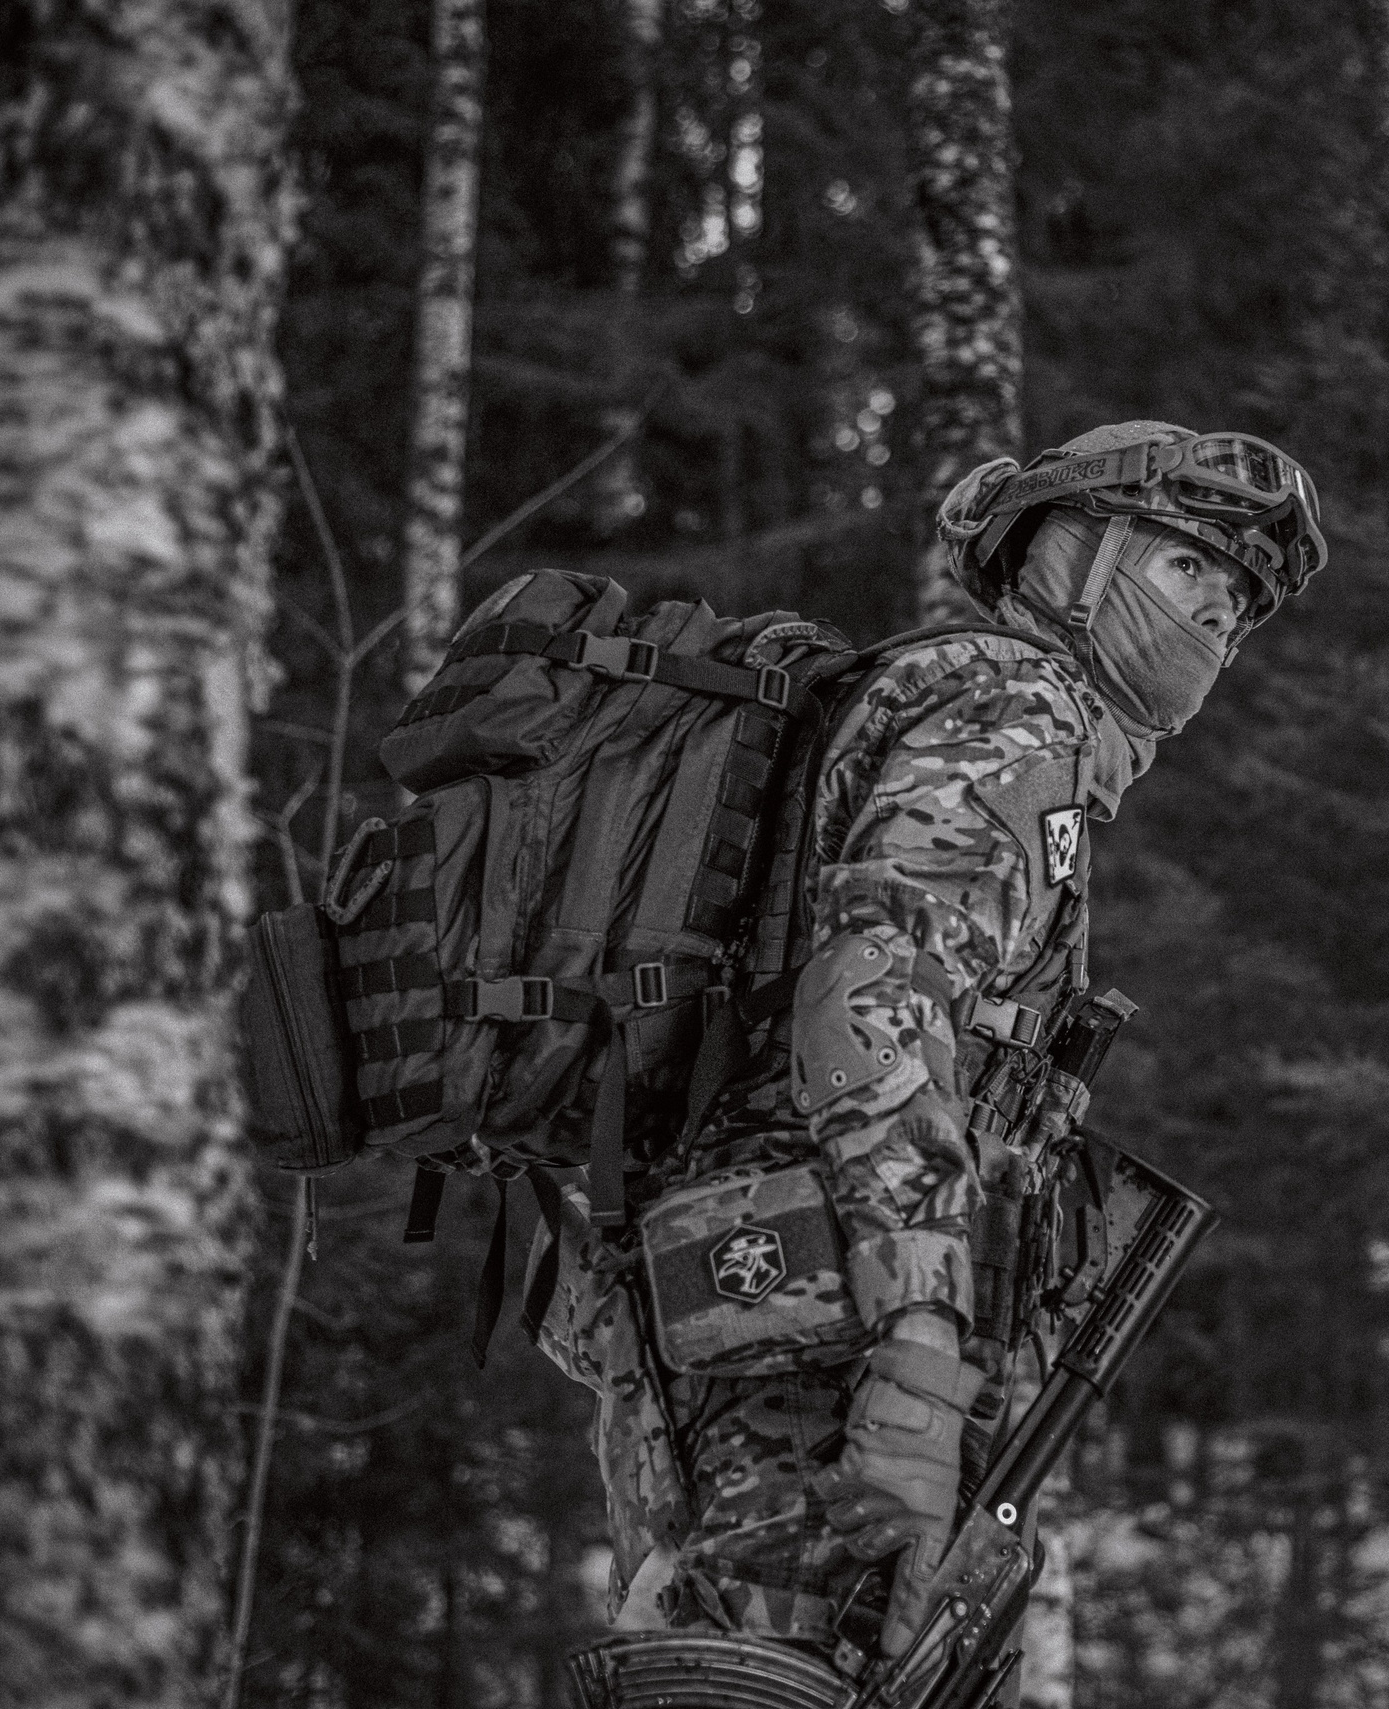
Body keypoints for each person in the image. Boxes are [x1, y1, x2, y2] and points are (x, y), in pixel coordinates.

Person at [530, 420, 1326, 1665]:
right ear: (1074, 553)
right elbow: (872, 991)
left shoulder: (947, 700)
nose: (1217, 618)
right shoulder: (1015, 707)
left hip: (760, 1307)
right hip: (823, 1349)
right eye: (1189, 568)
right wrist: (920, 1343)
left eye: (1236, 602)